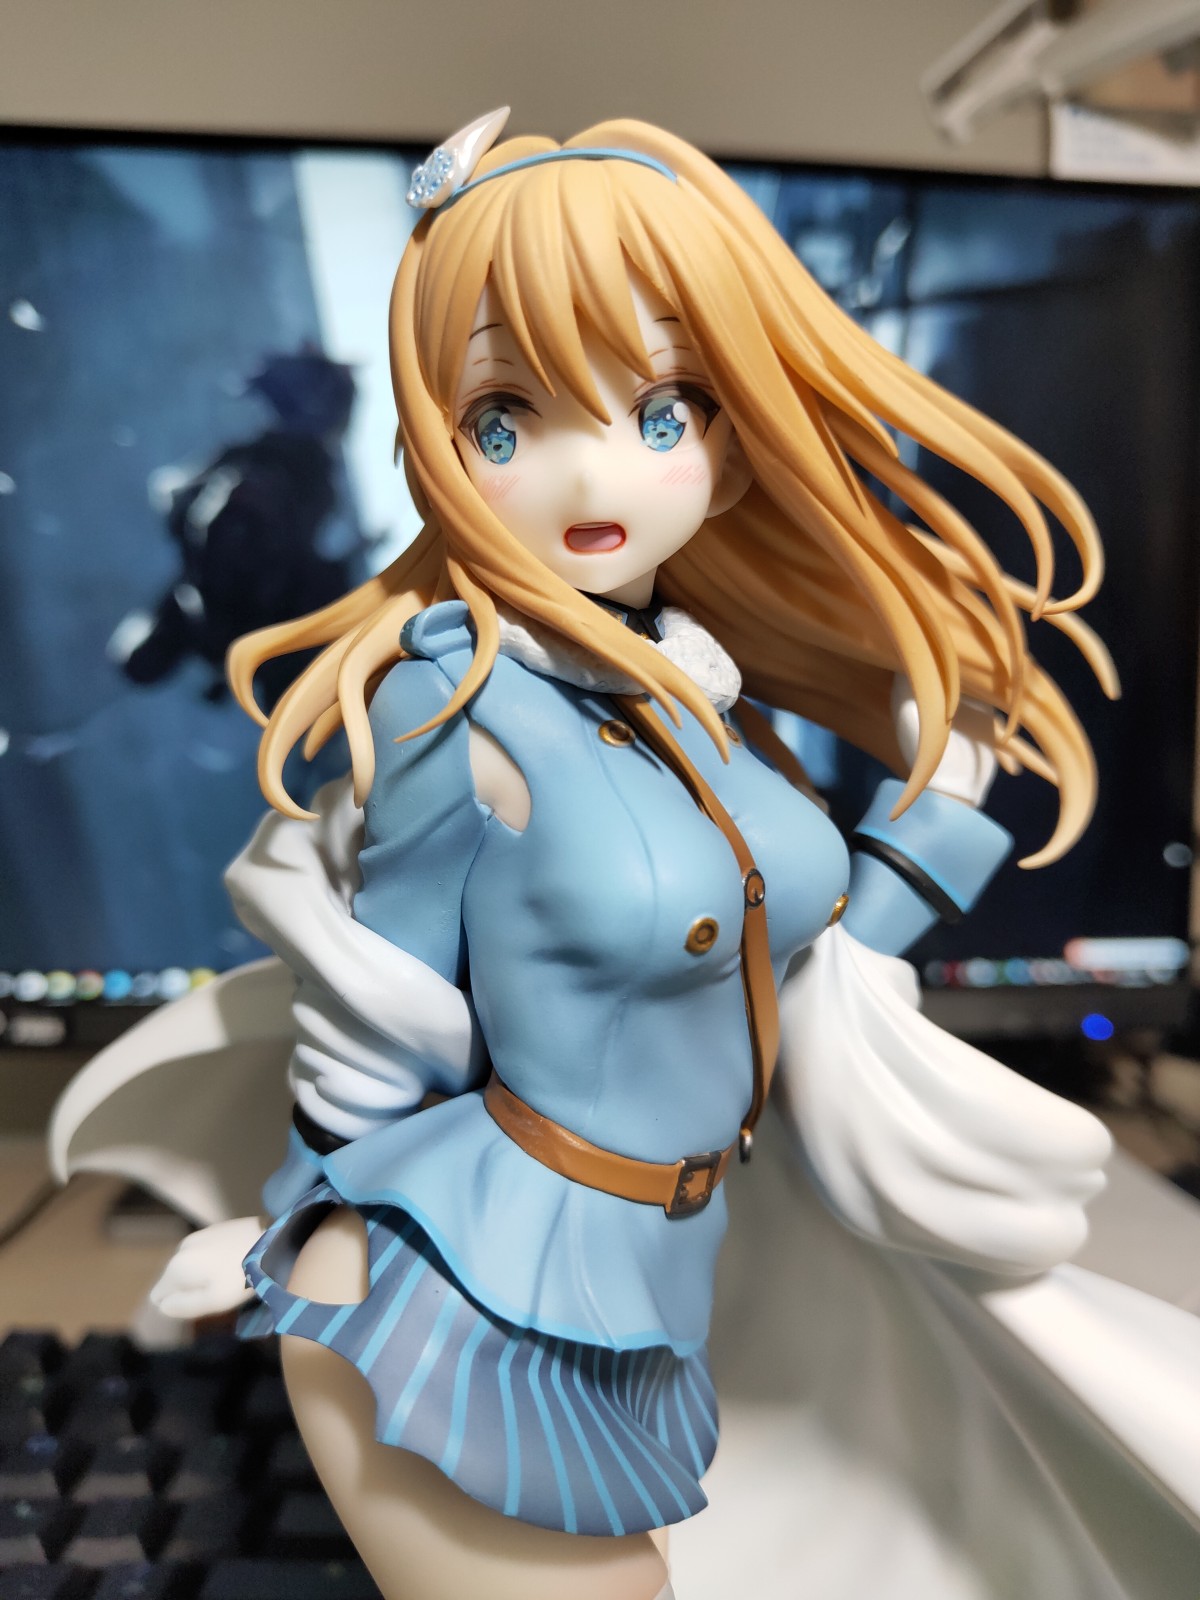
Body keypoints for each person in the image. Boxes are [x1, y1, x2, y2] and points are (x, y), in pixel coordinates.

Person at [53, 113, 1200, 1600]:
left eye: (661, 411)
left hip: (675, 1270)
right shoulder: (452, 700)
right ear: (438, 446)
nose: (592, 472)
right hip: (471, 1287)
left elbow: (798, 950)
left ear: (730, 437)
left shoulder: (704, 703)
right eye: (505, 422)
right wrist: (293, 1220)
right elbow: (383, 1007)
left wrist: (945, 806)